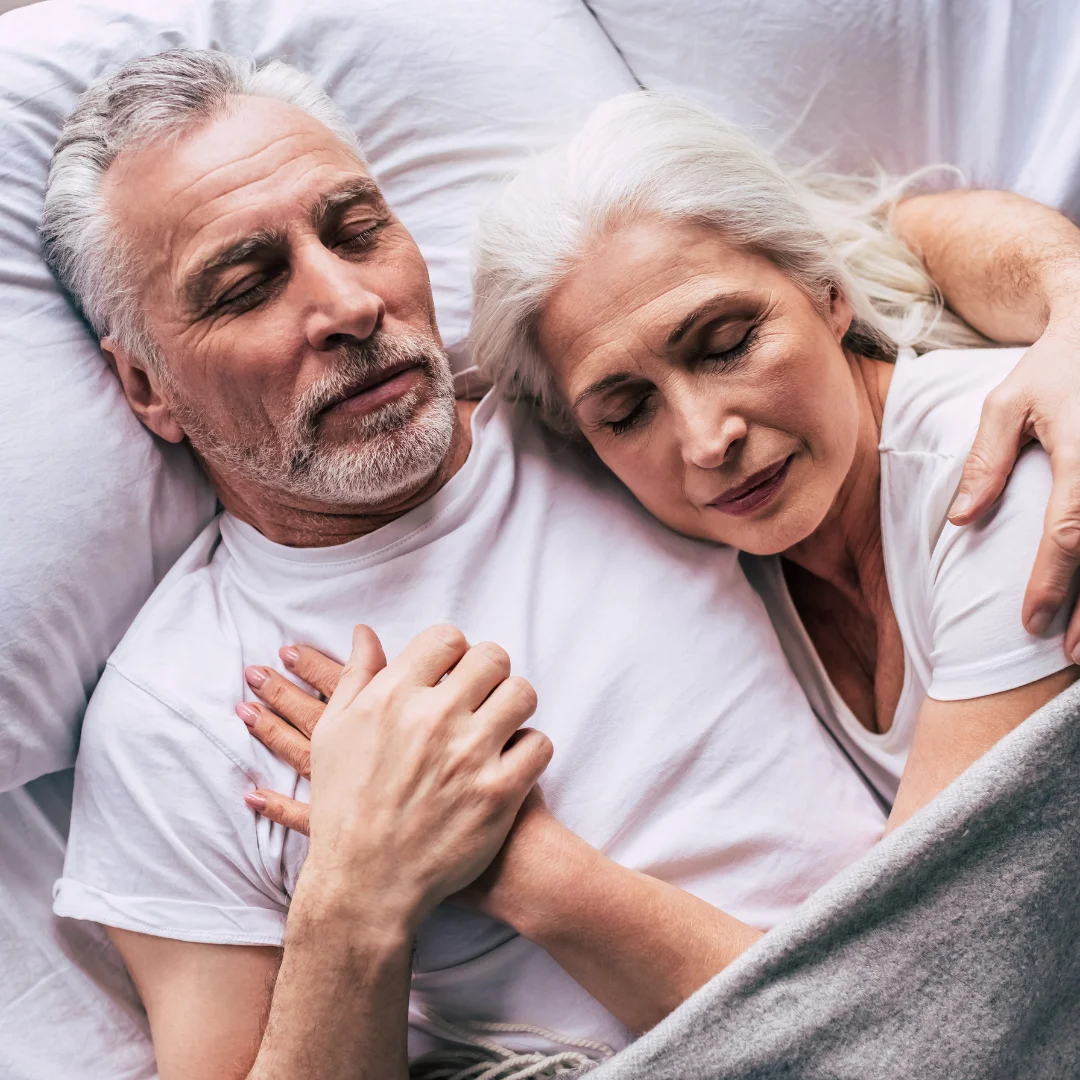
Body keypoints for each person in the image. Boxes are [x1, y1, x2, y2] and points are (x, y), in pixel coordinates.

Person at [43, 51, 1080, 1080]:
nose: (349, 303)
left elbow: (868, 235)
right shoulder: (174, 718)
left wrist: (1072, 300)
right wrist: (356, 899)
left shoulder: (600, 413)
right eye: (246, 286)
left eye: (357, 231)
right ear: (148, 388)